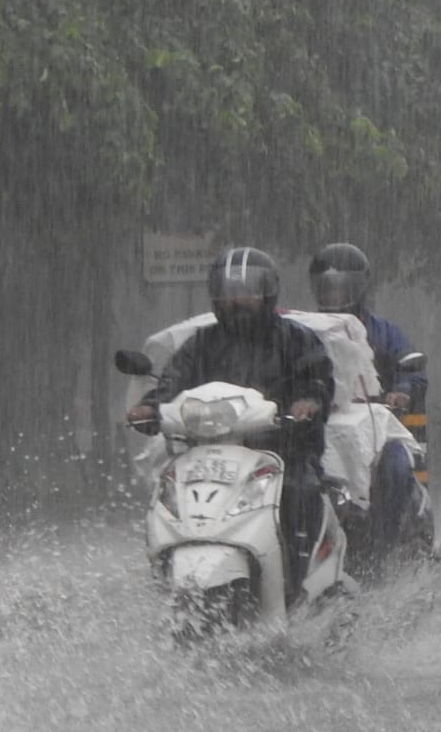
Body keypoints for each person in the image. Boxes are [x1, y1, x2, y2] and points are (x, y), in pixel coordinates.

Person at [127, 247, 334, 593]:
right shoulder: (201, 344)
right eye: (227, 292)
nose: (236, 300)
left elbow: (317, 380)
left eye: (246, 291)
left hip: (281, 454)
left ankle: (297, 584)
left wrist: (307, 404)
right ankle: (163, 581)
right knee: (163, 499)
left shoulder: (296, 340)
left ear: (268, 293)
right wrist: (151, 408)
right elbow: (171, 384)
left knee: (302, 493)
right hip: (206, 457)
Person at [307, 242, 425, 557]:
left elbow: (412, 371)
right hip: (318, 430)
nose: (334, 296)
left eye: (341, 288)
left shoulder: (386, 332)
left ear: (359, 288)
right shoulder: (303, 333)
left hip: (377, 432)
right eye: (327, 289)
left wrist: (401, 390)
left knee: (397, 467)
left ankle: (380, 546)